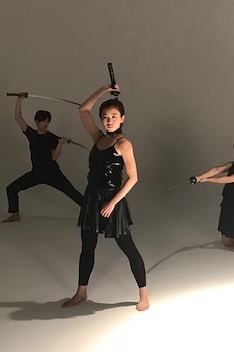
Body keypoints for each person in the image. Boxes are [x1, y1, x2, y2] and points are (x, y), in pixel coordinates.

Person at [62, 84, 149, 311]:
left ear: (122, 119)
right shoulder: (98, 138)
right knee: (87, 247)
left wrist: (112, 203)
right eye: (105, 117)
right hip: (92, 198)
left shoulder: (124, 144)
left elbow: (133, 178)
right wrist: (104, 89)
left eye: (113, 117)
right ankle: (81, 292)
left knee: (128, 248)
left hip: (113, 200)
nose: (109, 121)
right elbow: (83, 110)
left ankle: (144, 296)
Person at [2, 93, 83, 223]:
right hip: (36, 173)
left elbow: (54, 157)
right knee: (11, 189)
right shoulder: (31, 134)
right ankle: (15, 214)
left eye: (47, 121)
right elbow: (18, 117)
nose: (46, 124)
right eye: (43, 121)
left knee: (72, 192)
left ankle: (93, 213)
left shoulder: (52, 138)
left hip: (52, 173)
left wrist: (60, 144)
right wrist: (19, 99)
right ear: (36, 122)